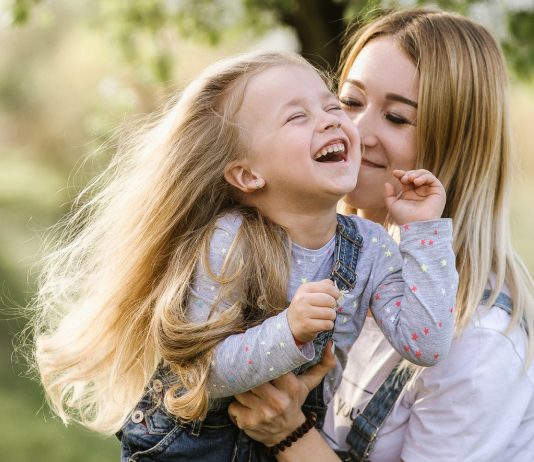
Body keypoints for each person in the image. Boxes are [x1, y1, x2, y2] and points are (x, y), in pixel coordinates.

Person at [31, 50, 457, 461]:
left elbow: (425, 344)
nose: (331, 121)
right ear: (247, 174)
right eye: (297, 116)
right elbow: (203, 372)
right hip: (195, 447)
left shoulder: (372, 249)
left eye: (331, 106)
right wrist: (288, 331)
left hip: (285, 445)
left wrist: (422, 231)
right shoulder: (230, 243)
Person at [228, 8, 534, 462]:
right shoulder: (337, 262)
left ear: (454, 146)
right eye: (349, 103)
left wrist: (287, 432)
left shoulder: (479, 342)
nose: (355, 130)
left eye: (395, 118)